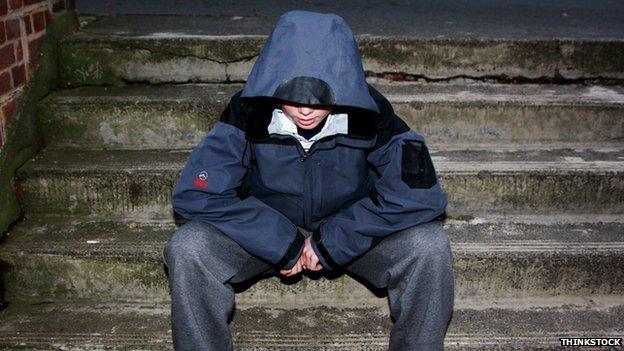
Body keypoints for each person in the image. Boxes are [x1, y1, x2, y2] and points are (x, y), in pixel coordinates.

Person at [163, 10, 454, 351]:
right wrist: (281, 241)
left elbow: (420, 197)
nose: (305, 110)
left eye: (318, 99)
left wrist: (331, 242)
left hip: (349, 230)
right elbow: (195, 194)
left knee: (430, 246)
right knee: (188, 247)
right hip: (262, 229)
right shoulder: (249, 111)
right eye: (294, 97)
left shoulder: (370, 113)